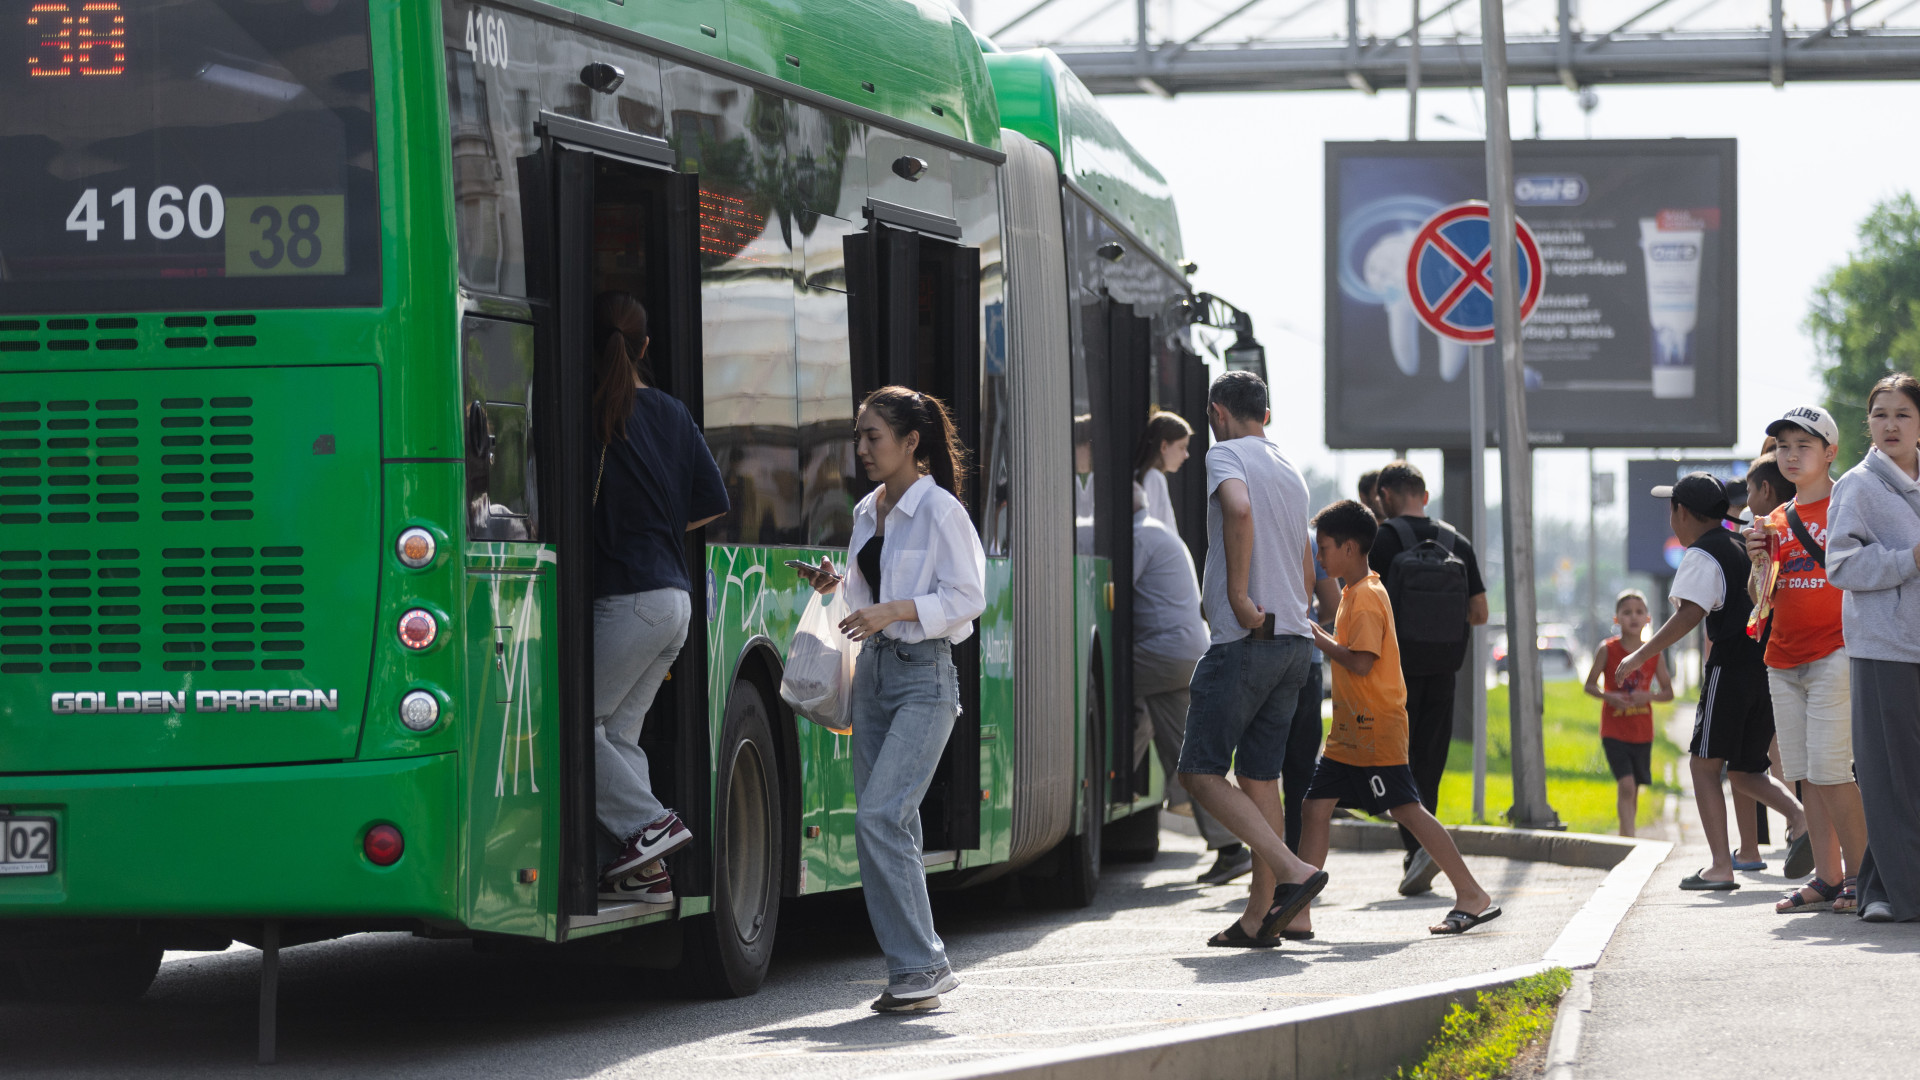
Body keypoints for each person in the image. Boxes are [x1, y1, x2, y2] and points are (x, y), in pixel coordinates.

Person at [795, 385, 987, 1007]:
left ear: (912, 442)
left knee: (882, 816)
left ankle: (923, 963)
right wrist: (839, 584)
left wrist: (892, 611)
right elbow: (866, 592)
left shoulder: (941, 512)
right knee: (883, 824)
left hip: (924, 678)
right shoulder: (867, 511)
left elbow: (968, 600)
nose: (862, 448)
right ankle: (913, 972)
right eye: (858, 435)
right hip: (874, 677)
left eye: (872, 436)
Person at [1293, 499, 1499, 937]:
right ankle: (1300, 912)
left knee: (1406, 808)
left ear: (1349, 548)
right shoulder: (1354, 591)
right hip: (1352, 732)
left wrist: (1314, 634)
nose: (1319, 556)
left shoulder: (1366, 596)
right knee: (1315, 807)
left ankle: (1471, 894)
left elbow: (1362, 663)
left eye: (1325, 547)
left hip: (1374, 729)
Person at [1177, 371, 1329, 948]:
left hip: (1246, 642)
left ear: (1218, 412)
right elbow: (1306, 559)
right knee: (1261, 777)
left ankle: (1294, 872)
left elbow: (1237, 511)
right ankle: (1261, 918)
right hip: (1294, 643)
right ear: (1265, 413)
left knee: (1199, 771)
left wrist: (1239, 597)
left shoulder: (1226, 456)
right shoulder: (1288, 466)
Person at [589, 292, 729, 904]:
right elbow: (713, 503)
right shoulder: (672, 411)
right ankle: (647, 872)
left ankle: (651, 827)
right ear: (646, 347)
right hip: (675, 599)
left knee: (571, 728)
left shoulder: (591, 410)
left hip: (627, 599)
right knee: (617, 736)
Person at [1617, 473, 1807, 891]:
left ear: (1681, 513)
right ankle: (1799, 817)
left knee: (1703, 766)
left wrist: (1640, 654)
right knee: (1744, 769)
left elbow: (1690, 614)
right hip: (1767, 667)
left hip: (1731, 667)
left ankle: (1721, 866)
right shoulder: (1742, 543)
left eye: (1672, 510)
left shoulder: (1703, 554)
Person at [1747, 405, 1865, 914]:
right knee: (1805, 773)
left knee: (1833, 768)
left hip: (1837, 648)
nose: (1791, 456)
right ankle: (1827, 877)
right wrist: (1757, 562)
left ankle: (1863, 876)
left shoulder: (1851, 502)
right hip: (1783, 656)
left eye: (1804, 446)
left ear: (1830, 452)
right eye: (1784, 447)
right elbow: (1761, 597)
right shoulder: (1774, 519)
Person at [1365, 460, 1489, 896]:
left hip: (1394, 671)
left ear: (1384, 496)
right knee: (1430, 763)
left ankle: (1415, 851)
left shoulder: (1381, 539)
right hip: (1444, 669)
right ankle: (1423, 849)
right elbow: (1480, 613)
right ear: (1425, 495)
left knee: (1396, 761)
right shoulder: (1459, 541)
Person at [1827, 372, 1920, 923]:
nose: (1890, 424)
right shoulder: (1857, 487)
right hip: (1885, 649)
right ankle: (1900, 895)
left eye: (1902, 414)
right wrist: (1908, 561)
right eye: (1880, 414)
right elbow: (1840, 565)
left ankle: (1880, 890)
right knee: (1888, 774)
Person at [1127, 484, 1241, 880]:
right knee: (1187, 756)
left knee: (1098, 686)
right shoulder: (1159, 531)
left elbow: (1118, 587)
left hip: (1163, 654)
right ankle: (1230, 846)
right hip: (1182, 653)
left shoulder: (1138, 537)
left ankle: (1109, 782)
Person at [1730, 451, 1798, 875]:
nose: (1746, 501)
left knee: (1754, 757)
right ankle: (1805, 836)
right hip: (1779, 656)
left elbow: (1762, 600)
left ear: (1766, 489)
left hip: (1774, 658)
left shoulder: (1770, 529)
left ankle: (1793, 829)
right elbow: (1760, 594)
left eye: (1751, 490)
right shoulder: (1756, 533)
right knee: (1790, 754)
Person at [1583, 590, 1674, 837]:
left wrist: (1649, 697)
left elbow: (1668, 692)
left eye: (1639, 612)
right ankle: (1628, 840)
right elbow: (1589, 685)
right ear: (1616, 619)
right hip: (1613, 730)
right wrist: (1609, 696)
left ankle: (1628, 836)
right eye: (1626, 613)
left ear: (1648, 618)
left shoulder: (1654, 652)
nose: (1633, 617)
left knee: (1633, 789)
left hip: (1642, 732)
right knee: (1626, 784)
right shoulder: (1607, 650)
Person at [1132, 410, 1194, 530]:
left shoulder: (1143, 475)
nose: (1186, 455)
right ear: (1164, 446)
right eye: (1182, 447)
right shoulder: (1154, 477)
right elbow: (1156, 528)